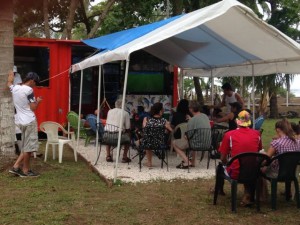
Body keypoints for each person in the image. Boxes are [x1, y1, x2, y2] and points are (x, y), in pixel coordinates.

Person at [217, 110, 262, 205]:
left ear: (237, 121)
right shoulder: (257, 134)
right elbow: (258, 151)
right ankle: (248, 193)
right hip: (253, 171)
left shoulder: (229, 135)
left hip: (236, 173)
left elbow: (222, 158)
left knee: (219, 167)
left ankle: (219, 190)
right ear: (249, 122)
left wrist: (226, 163)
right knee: (247, 163)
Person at [7, 71, 42, 177]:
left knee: (26, 146)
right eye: (35, 82)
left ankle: (16, 167)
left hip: (21, 122)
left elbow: (9, 84)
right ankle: (26, 171)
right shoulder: (29, 90)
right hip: (29, 121)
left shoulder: (15, 88)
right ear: (31, 81)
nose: (35, 84)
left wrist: (10, 76)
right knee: (29, 148)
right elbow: (33, 107)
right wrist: (38, 101)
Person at [172, 100, 211, 169]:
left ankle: (187, 161)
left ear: (191, 109)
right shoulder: (205, 116)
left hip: (196, 144)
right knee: (195, 138)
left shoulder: (192, 120)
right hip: (208, 143)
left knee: (174, 143)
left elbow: (188, 136)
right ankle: (193, 162)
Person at [141, 102, 172, 168]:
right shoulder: (164, 121)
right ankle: (159, 154)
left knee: (147, 139)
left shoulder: (146, 119)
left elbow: (144, 130)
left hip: (148, 144)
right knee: (151, 140)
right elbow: (171, 130)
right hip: (160, 144)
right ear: (160, 111)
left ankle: (149, 162)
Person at [104, 99, 131, 163]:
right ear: (123, 105)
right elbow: (128, 127)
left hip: (106, 136)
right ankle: (124, 157)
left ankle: (108, 155)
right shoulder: (125, 113)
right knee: (128, 137)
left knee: (109, 133)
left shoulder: (109, 111)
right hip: (118, 137)